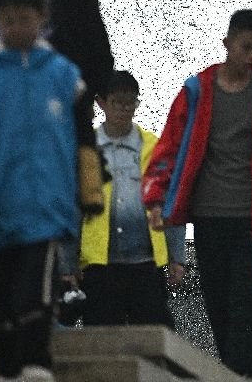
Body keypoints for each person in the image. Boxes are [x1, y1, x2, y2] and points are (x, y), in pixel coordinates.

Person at [0, 0, 101, 382]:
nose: (16, 28)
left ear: (42, 17)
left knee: (37, 287)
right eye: (8, 20)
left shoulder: (65, 76)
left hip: (47, 204)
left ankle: (36, 361)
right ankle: (6, 364)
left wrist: (90, 191)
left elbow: (85, 139)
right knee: (0, 294)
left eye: (24, 19)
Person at [143, 9, 252, 377]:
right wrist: (155, 197)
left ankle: (238, 374)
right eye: (245, 47)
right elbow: (170, 145)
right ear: (227, 44)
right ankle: (233, 373)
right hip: (209, 217)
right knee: (218, 301)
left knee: (249, 301)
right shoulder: (197, 92)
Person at [78, 69, 186, 328]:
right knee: (102, 337)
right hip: (98, 264)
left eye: (131, 102)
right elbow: (72, 208)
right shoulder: (87, 150)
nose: (125, 109)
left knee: (155, 334)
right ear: (101, 102)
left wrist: (177, 256)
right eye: (118, 102)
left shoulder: (154, 148)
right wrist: (69, 262)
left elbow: (171, 203)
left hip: (146, 263)